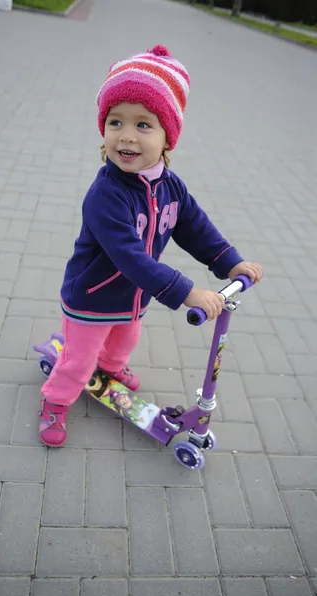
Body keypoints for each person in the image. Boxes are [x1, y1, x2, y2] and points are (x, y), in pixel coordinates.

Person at [38, 44, 263, 447]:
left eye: (143, 125)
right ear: (103, 127)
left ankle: (110, 367)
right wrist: (187, 291)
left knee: (125, 341)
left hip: (132, 300)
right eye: (115, 122)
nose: (126, 135)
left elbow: (194, 226)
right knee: (77, 362)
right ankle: (55, 402)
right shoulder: (105, 195)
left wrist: (230, 263)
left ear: (167, 137)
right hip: (90, 299)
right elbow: (130, 257)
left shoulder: (170, 186)